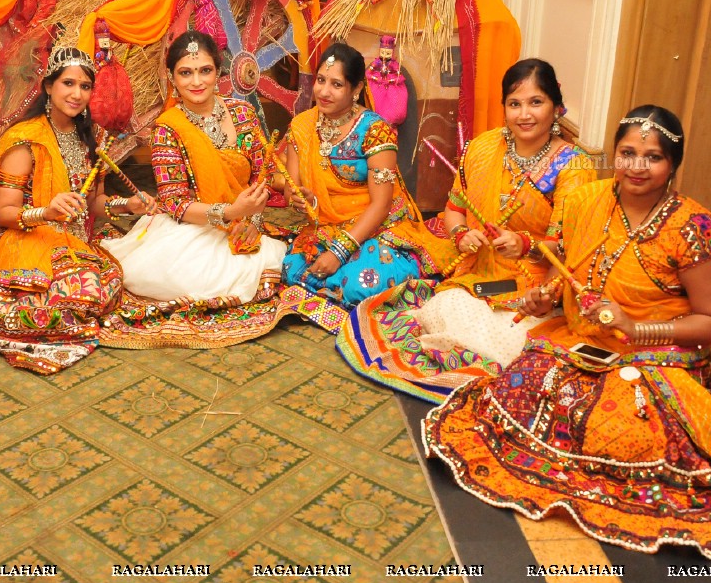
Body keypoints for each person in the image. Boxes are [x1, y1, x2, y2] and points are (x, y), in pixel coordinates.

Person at [424, 106, 711, 559]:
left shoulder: (693, 227)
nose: (636, 166)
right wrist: (544, 300)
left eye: (651, 157)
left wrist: (637, 328)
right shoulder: (586, 201)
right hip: (587, 343)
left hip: (663, 352)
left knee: (626, 432)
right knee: (518, 385)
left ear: (673, 164)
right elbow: (567, 272)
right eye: (627, 153)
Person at [339, 59, 595, 401]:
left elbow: (568, 249)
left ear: (556, 106)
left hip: (536, 289)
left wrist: (527, 251)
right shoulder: (483, 149)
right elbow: (454, 211)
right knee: (445, 307)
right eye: (514, 104)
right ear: (503, 107)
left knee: (521, 342)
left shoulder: (573, 168)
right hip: (479, 277)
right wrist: (461, 235)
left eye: (536, 102)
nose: (525, 114)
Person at [0, 47, 150, 373]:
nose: (77, 94)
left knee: (105, 285)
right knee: (72, 298)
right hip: (26, 240)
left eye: (85, 86)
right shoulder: (26, 140)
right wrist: (46, 212)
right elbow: (3, 212)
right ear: (49, 86)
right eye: (68, 84)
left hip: (74, 242)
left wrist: (127, 205)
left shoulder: (93, 137)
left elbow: (93, 204)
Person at [98, 31, 288, 347]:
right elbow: (176, 205)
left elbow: (261, 171)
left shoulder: (241, 115)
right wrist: (231, 212)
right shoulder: (168, 130)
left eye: (205, 71)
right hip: (193, 227)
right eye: (185, 72)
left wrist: (266, 207)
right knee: (197, 277)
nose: (196, 81)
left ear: (218, 72)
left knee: (275, 261)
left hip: (244, 224)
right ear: (172, 78)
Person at [281, 42, 455, 313]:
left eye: (336, 84)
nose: (324, 92)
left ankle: (414, 265)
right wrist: (301, 198)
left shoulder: (375, 130)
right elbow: (294, 188)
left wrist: (339, 252)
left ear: (357, 89)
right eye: (321, 81)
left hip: (378, 225)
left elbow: (381, 205)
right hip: (328, 224)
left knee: (358, 287)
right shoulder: (302, 125)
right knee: (292, 270)